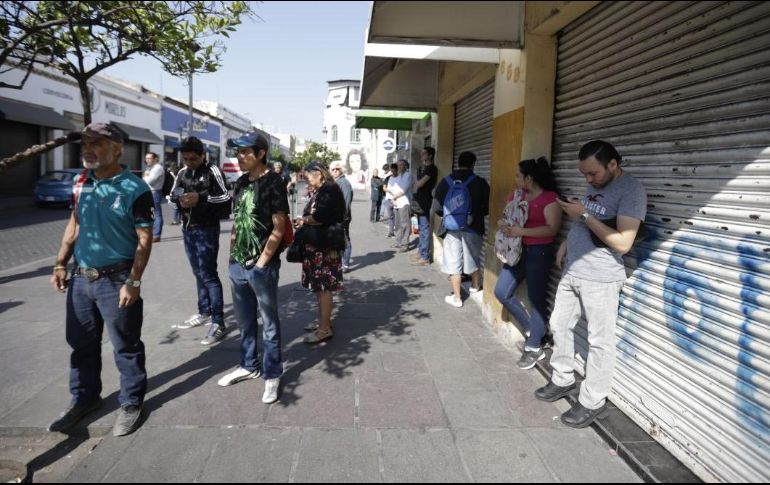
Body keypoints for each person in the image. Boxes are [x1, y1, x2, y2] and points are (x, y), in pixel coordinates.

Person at [48, 122, 154, 437]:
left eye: (97, 143)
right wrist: (59, 264)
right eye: (85, 144)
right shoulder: (82, 183)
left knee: (126, 345)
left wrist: (133, 282)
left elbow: (144, 239)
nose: (89, 150)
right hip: (81, 280)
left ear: (118, 148)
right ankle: (84, 399)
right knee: (81, 344)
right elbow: (74, 225)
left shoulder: (135, 188)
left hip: (117, 279)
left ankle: (132, 402)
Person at [534, 140, 647, 429]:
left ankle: (593, 400)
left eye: (593, 174)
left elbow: (623, 242)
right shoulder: (595, 184)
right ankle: (562, 378)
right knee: (559, 324)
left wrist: (582, 214)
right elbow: (587, 220)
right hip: (573, 268)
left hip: (601, 277)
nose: (588, 180)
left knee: (600, 340)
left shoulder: (631, 191)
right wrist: (567, 244)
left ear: (613, 164)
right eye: (584, 174)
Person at [217, 132, 289, 404]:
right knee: (245, 321)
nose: (240, 157)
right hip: (238, 264)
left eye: (246, 152)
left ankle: (272, 373)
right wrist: (231, 257)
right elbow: (238, 221)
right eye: (238, 152)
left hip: (262, 266)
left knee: (269, 324)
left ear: (261, 153)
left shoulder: (274, 183)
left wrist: (260, 265)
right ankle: (249, 365)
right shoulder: (240, 183)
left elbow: (279, 227)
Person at [494, 157, 562, 369]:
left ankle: (534, 348)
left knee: (537, 300)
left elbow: (552, 229)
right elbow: (507, 216)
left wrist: (519, 231)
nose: (515, 179)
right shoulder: (516, 195)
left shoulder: (550, 199)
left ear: (529, 178)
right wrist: (503, 224)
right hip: (517, 251)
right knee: (501, 291)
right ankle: (534, 330)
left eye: (518, 175)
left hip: (539, 252)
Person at [170, 136, 232, 345]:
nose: (189, 162)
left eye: (193, 159)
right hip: (187, 230)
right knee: (198, 272)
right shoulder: (181, 172)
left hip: (207, 230)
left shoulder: (213, 171)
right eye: (186, 158)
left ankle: (218, 321)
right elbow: (171, 195)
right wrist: (179, 199)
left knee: (209, 274)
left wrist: (201, 198)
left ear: (202, 155)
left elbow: (225, 197)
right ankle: (203, 311)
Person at [295, 161, 346, 344]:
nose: (307, 179)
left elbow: (321, 217)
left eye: (308, 176)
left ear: (318, 174)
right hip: (318, 245)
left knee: (323, 288)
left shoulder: (329, 189)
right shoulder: (324, 189)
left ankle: (324, 329)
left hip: (324, 246)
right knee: (319, 287)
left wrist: (304, 220)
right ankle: (323, 322)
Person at [433, 151, 490, 308]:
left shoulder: (446, 182)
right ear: (473, 164)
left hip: (451, 228)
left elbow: (437, 208)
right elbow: (487, 208)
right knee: (473, 257)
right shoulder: (480, 182)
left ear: (457, 163)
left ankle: (457, 298)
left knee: (453, 261)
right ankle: (474, 286)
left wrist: (451, 215)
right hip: (473, 227)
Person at [410, 147, 438, 265]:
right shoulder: (421, 168)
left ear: (430, 155)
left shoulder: (432, 169)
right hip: (418, 201)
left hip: (425, 201)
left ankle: (425, 256)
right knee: (421, 228)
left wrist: (417, 184)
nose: (421, 155)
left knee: (425, 228)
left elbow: (419, 184)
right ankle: (421, 252)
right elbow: (416, 184)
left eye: (424, 153)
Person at [385, 159, 414, 252]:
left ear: (406, 166)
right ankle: (398, 242)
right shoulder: (398, 176)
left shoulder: (408, 175)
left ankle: (405, 244)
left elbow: (403, 190)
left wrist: (394, 197)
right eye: (399, 165)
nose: (399, 166)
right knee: (397, 224)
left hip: (404, 203)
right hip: (396, 203)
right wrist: (392, 199)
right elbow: (393, 189)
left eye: (402, 165)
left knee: (405, 224)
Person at [330, 160, 353, 271]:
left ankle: (345, 264)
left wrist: (341, 218)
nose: (335, 171)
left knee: (344, 240)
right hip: (335, 217)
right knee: (339, 240)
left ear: (341, 170)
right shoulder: (336, 182)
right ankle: (341, 262)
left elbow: (346, 202)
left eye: (337, 168)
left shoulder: (344, 183)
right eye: (333, 169)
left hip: (342, 217)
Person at [142, 152, 165, 242]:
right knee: (152, 214)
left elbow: (150, 181)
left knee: (156, 214)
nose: (147, 160)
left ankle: (156, 235)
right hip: (151, 192)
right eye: (146, 158)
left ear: (155, 159)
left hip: (154, 192)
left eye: (149, 158)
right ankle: (154, 234)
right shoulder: (152, 168)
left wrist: (145, 176)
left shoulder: (158, 168)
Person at [382, 163, 398, 237]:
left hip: (397, 200)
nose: (393, 173)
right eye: (392, 171)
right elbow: (384, 188)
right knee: (390, 216)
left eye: (394, 171)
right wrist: (389, 191)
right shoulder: (388, 178)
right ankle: (391, 232)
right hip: (389, 199)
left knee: (397, 217)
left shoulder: (399, 178)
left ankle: (397, 233)